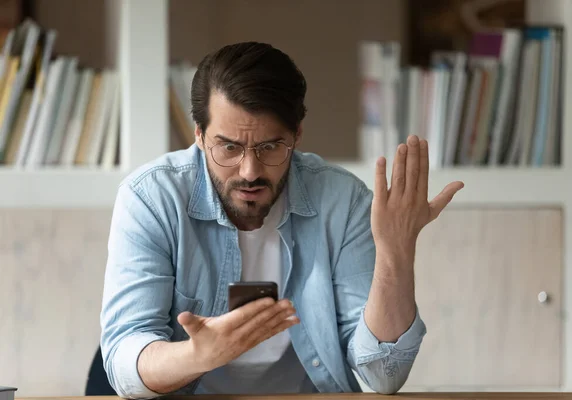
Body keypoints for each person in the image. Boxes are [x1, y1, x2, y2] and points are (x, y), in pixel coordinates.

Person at [99, 41, 464, 398]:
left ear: (297, 136)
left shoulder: (343, 201)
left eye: (270, 147)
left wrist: (395, 251)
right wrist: (197, 356)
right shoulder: (151, 198)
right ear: (198, 135)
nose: (249, 171)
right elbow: (124, 360)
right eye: (229, 147)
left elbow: (384, 374)